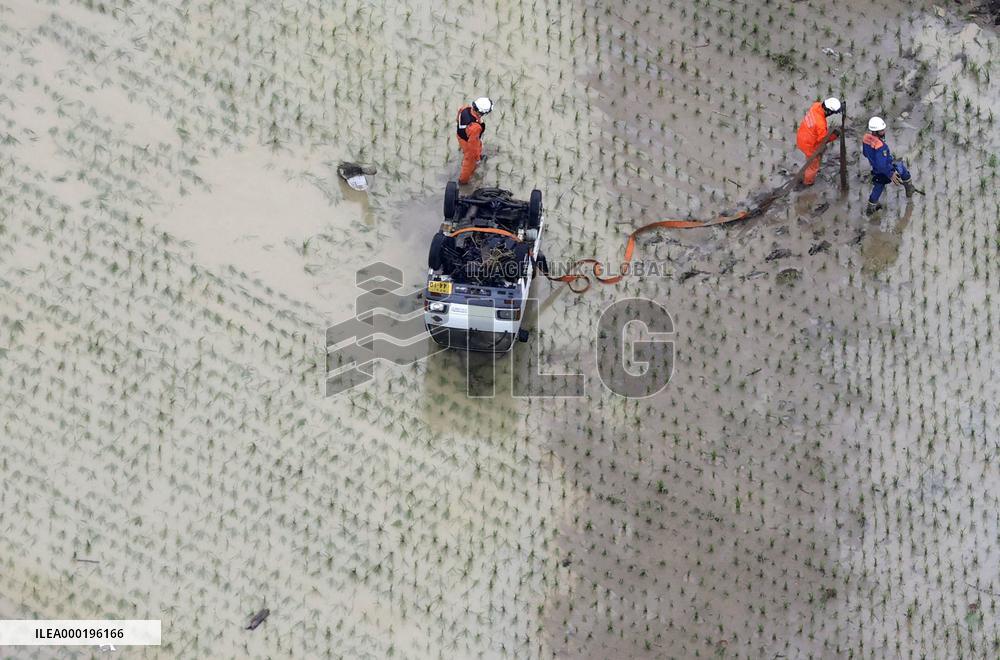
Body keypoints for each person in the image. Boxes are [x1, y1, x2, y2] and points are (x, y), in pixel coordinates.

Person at [862, 116, 915, 215]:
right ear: (876, 131)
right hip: (885, 168)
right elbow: (882, 165)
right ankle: (909, 188)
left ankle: (870, 209)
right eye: (881, 130)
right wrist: (891, 173)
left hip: (875, 168)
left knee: (878, 187)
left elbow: (865, 153)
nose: (884, 131)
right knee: (901, 168)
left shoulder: (866, 139)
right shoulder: (881, 146)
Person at [796, 97, 842, 186]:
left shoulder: (816, 106)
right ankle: (808, 182)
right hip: (809, 145)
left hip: (802, 135)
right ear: (828, 111)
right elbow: (823, 140)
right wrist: (834, 136)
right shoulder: (821, 124)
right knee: (813, 165)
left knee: (817, 154)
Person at [456, 97, 492, 185]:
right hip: (468, 141)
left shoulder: (465, 108)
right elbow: (472, 147)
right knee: (469, 163)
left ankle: (478, 156)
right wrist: (475, 156)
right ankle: (463, 181)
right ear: (482, 112)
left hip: (461, 135)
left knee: (478, 145)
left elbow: (458, 119)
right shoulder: (475, 128)